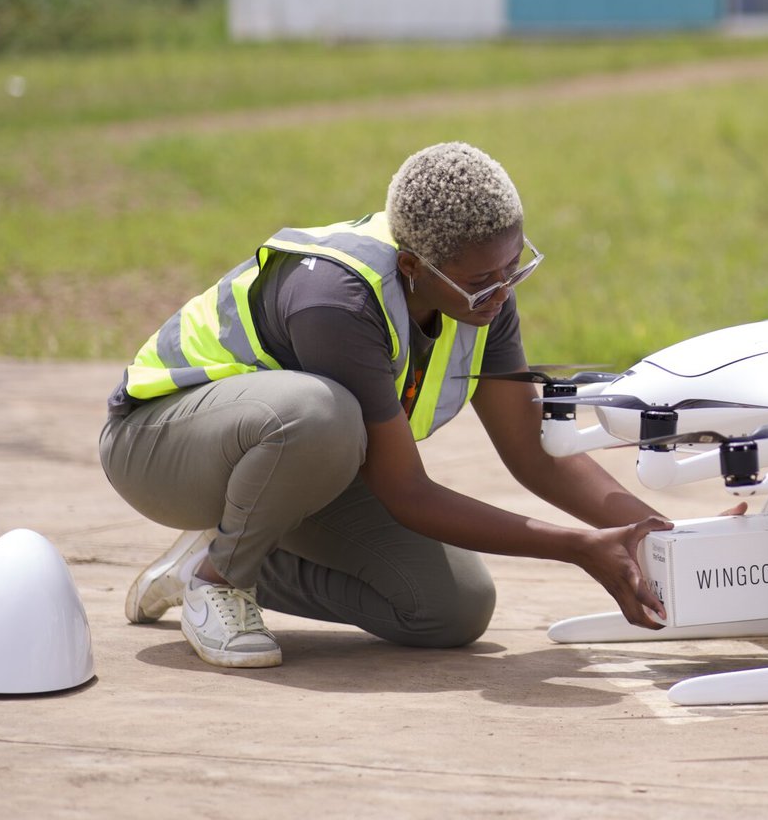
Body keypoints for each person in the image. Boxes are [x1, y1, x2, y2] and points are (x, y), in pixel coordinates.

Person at [99, 141, 674, 668]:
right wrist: (576, 547)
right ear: (412, 267)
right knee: (320, 412)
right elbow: (406, 492)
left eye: (513, 268)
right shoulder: (336, 301)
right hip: (159, 446)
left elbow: (535, 452)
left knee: (452, 607)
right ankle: (220, 580)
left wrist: (660, 535)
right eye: (482, 280)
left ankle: (217, 550)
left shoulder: (482, 297)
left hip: (282, 463)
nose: (501, 293)